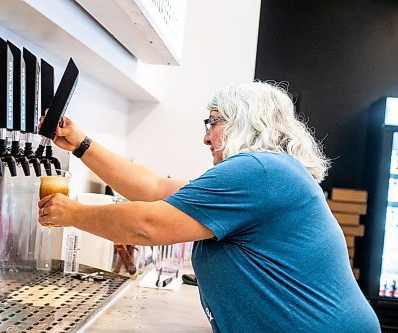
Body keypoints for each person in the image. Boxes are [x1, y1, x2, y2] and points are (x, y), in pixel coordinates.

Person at [38, 81, 380, 332]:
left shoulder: (259, 171)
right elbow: (154, 188)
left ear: (245, 122)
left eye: (212, 122)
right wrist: (81, 145)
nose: (205, 137)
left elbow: (148, 225)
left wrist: (72, 214)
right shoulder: (269, 172)